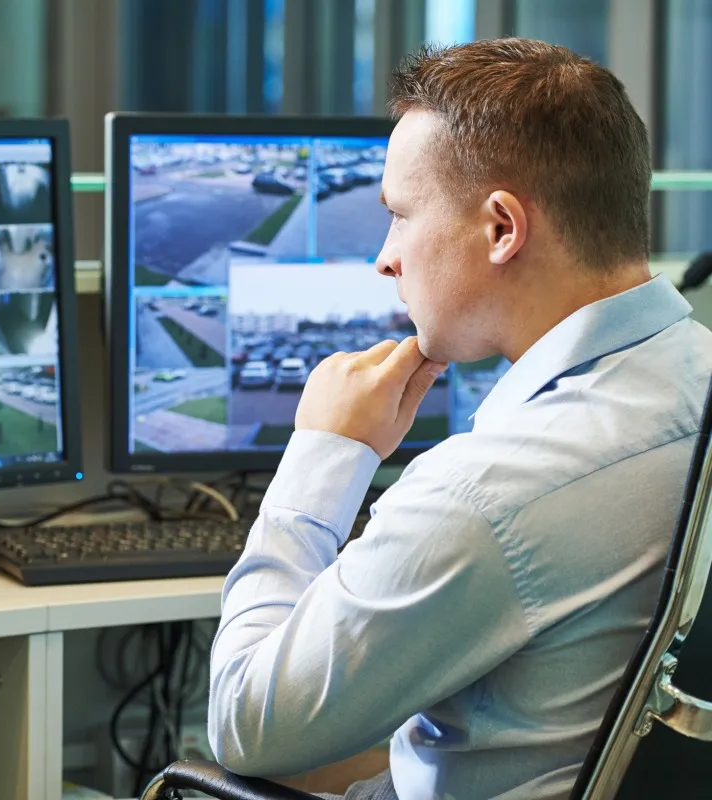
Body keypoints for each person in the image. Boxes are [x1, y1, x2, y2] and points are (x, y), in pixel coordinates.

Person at [207, 39, 712, 800]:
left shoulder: (485, 493)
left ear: (503, 228)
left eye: (400, 217)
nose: (386, 259)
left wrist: (322, 455)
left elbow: (248, 726)